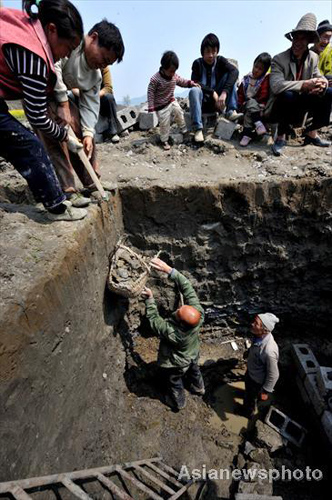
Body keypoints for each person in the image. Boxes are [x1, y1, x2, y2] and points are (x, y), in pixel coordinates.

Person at [0, 0, 87, 221]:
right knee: (28, 145)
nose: (65, 56)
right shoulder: (33, 54)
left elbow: (34, 108)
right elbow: (38, 116)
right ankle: (56, 206)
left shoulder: (25, 27)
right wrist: (64, 135)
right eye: (67, 48)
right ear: (52, 30)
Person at [37, 19, 124, 206]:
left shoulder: (95, 74)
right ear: (93, 38)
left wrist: (88, 133)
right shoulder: (70, 43)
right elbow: (55, 69)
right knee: (56, 134)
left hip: (61, 99)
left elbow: (90, 105)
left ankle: (92, 181)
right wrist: (63, 104)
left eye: (108, 63)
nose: (102, 65)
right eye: (104, 58)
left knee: (84, 137)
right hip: (39, 93)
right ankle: (67, 189)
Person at [142, 258, 205, 411]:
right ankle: (199, 388)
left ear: (180, 323)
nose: (177, 309)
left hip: (178, 363)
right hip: (193, 353)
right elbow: (188, 289)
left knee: (174, 381)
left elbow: (154, 320)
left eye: (178, 313)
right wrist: (170, 270)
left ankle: (179, 403)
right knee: (194, 368)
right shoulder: (199, 315)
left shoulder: (172, 333)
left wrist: (150, 300)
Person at [266, 13, 332, 156]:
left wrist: (322, 83)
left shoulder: (313, 58)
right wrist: (305, 85)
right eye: (296, 37)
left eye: (302, 39)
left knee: (329, 92)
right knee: (287, 94)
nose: (298, 42)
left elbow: (318, 75)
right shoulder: (279, 59)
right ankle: (280, 137)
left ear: (309, 41)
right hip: (280, 107)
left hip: (302, 105)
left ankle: (312, 133)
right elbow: (276, 86)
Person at [189, 33, 241, 143]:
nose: (211, 55)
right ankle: (198, 129)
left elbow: (234, 71)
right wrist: (211, 92)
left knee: (229, 76)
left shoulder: (220, 61)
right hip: (203, 102)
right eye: (208, 52)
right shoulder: (197, 64)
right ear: (202, 52)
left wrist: (224, 93)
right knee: (194, 90)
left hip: (219, 103)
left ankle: (231, 112)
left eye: (214, 51)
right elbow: (195, 82)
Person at [147, 51, 199, 150]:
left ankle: (184, 130)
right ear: (163, 68)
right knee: (164, 123)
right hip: (161, 105)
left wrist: (191, 83)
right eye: (171, 71)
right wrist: (151, 107)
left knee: (179, 112)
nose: (173, 73)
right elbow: (150, 92)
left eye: (174, 71)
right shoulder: (155, 79)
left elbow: (181, 81)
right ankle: (164, 140)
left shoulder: (174, 76)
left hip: (171, 100)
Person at [241, 313, 280, 418]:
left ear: (265, 330)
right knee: (248, 392)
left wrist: (266, 391)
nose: (252, 324)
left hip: (256, 381)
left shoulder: (269, 351)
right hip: (251, 373)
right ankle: (249, 397)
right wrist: (249, 353)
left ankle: (247, 413)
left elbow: (274, 374)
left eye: (256, 324)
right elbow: (255, 347)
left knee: (250, 398)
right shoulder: (258, 336)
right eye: (254, 321)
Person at [237, 52, 271, 147]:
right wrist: (239, 104)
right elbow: (240, 94)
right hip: (246, 104)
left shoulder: (265, 79)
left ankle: (246, 135)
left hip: (260, 106)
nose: (256, 70)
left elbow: (264, 94)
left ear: (264, 71)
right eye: (256, 67)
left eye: (260, 69)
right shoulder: (246, 79)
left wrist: (260, 104)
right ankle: (258, 124)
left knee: (249, 112)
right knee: (250, 103)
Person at [99, 66, 121, 143]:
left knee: (109, 97)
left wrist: (94, 96)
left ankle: (113, 132)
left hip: (99, 98)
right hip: (84, 98)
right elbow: (74, 87)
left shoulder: (103, 67)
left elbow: (108, 88)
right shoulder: (80, 65)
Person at [311, 20, 332, 86]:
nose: (326, 41)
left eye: (329, 38)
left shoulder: (330, 51)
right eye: (325, 37)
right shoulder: (308, 53)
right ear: (317, 37)